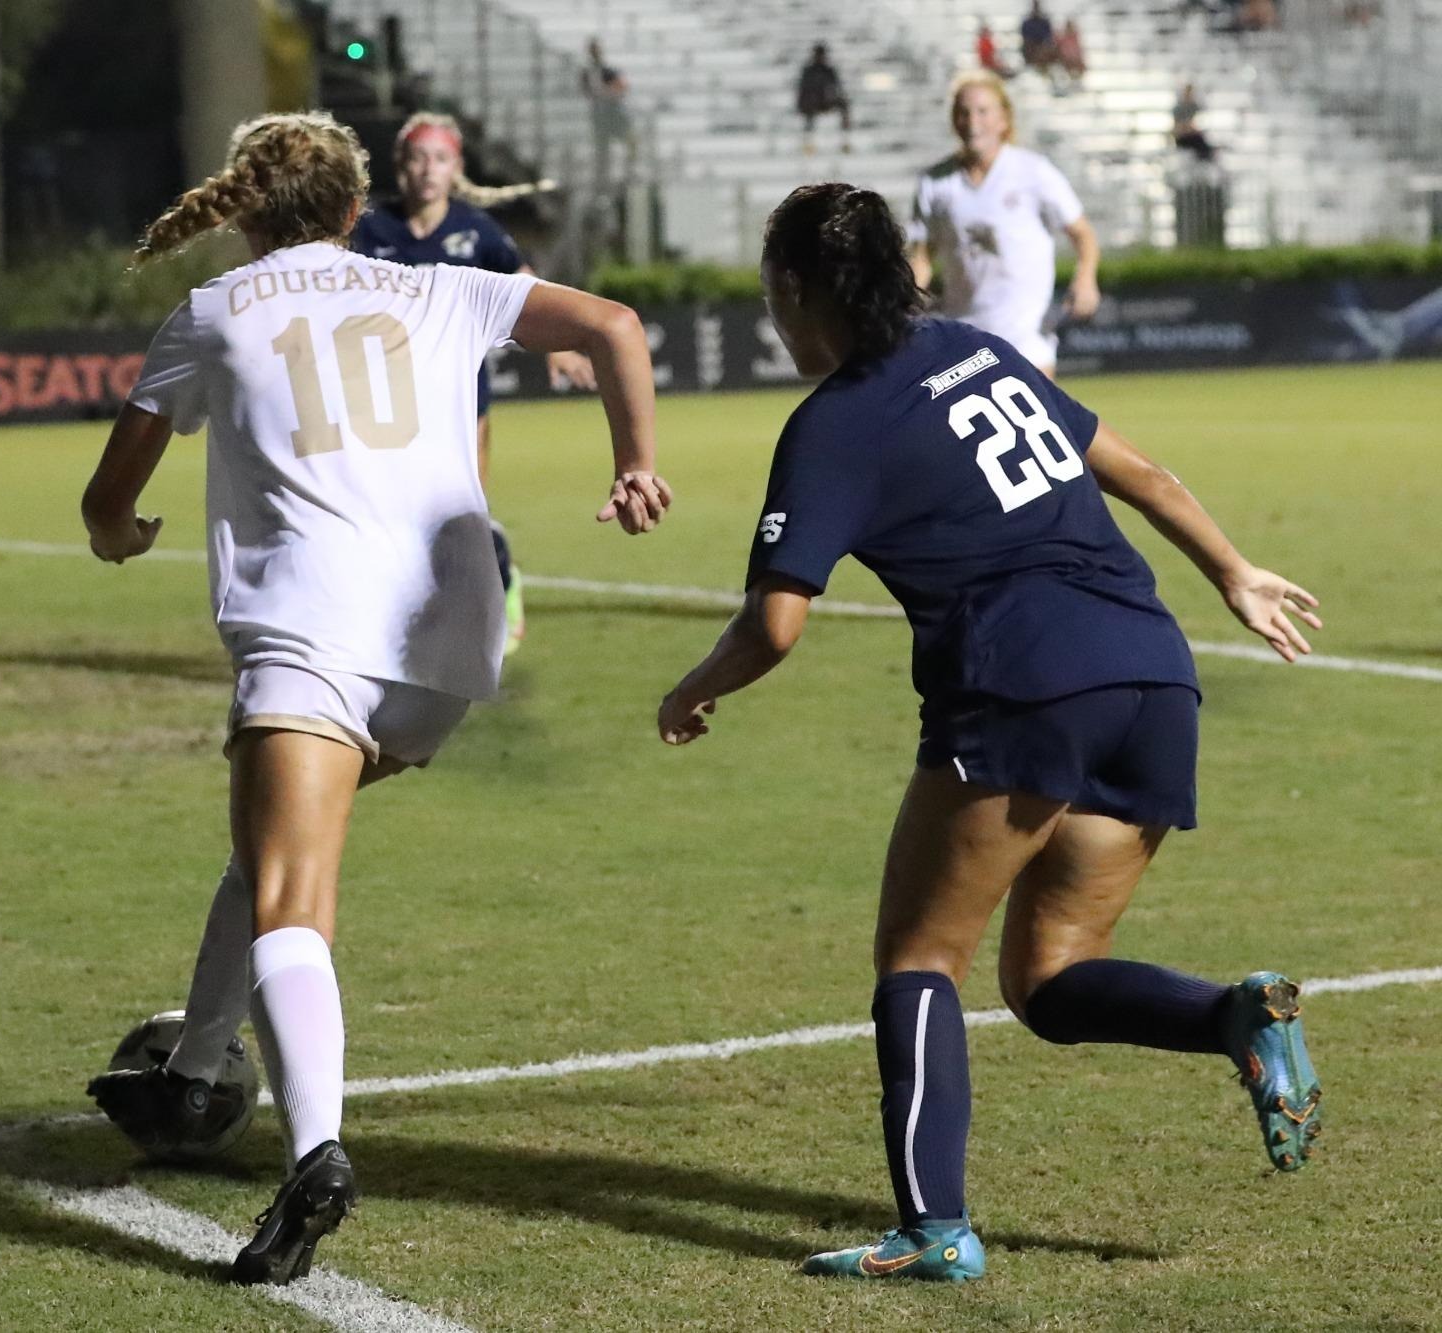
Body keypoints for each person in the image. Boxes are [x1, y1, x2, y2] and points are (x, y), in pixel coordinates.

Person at [656, 182, 1323, 1282]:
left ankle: (933, 1232)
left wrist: (692, 685)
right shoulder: (975, 349)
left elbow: (774, 623)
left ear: (801, 293)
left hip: (1021, 682)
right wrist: (1234, 573)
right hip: (1151, 672)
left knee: (918, 957)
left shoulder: (831, 422)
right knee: (1048, 977)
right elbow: (1142, 474)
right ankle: (1232, 1016)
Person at [79, 111, 670, 1286]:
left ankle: (313, 1151)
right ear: (356, 210)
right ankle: (195, 1063)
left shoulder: (209, 315)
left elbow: (109, 495)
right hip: (448, 645)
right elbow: (610, 324)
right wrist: (633, 462)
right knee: (270, 848)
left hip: (315, 625)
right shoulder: (439, 289)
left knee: (294, 887)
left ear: (244, 210)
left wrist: (121, 534)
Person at [347, 112, 597, 656]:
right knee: (393, 516)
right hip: (385, 406)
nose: (427, 170)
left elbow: (525, 288)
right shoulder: (369, 229)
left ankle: (501, 580)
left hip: (462, 403)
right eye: (417, 158)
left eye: (439, 158)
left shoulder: (476, 231)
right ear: (400, 166)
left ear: (456, 168)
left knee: (462, 514)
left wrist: (557, 341)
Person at [907, 72, 1101, 376]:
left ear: (1003, 119)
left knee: (1037, 421)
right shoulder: (935, 182)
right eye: (964, 112)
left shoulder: (1032, 171)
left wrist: (1085, 278)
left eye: (983, 111)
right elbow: (922, 253)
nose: (973, 121)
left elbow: (1082, 232)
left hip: (1026, 337)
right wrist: (909, 297)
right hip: (963, 335)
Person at [579, 38, 635, 185]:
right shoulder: (587, 72)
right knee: (602, 150)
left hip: (613, 115)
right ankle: (602, 179)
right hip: (599, 116)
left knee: (630, 142)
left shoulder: (608, 71)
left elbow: (621, 88)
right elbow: (588, 92)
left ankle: (629, 172)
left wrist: (606, 92)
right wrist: (605, 92)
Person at [796, 44, 853, 151]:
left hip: (827, 101)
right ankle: (808, 142)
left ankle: (845, 139)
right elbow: (802, 89)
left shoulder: (829, 70)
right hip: (812, 103)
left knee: (844, 104)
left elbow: (837, 87)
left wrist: (834, 97)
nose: (820, 57)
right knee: (809, 107)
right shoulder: (808, 71)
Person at [1173, 83, 1218, 162]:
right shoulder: (1178, 108)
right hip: (1183, 138)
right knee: (1201, 145)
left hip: (1192, 136)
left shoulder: (1193, 106)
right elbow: (1178, 129)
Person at [1020, 0, 1058, 72]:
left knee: (1048, 48)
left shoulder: (1045, 22)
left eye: (1037, 6)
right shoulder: (1026, 23)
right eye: (1034, 6)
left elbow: (1049, 37)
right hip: (1031, 47)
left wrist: (1044, 45)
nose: (1036, 9)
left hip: (1043, 47)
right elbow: (1025, 37)